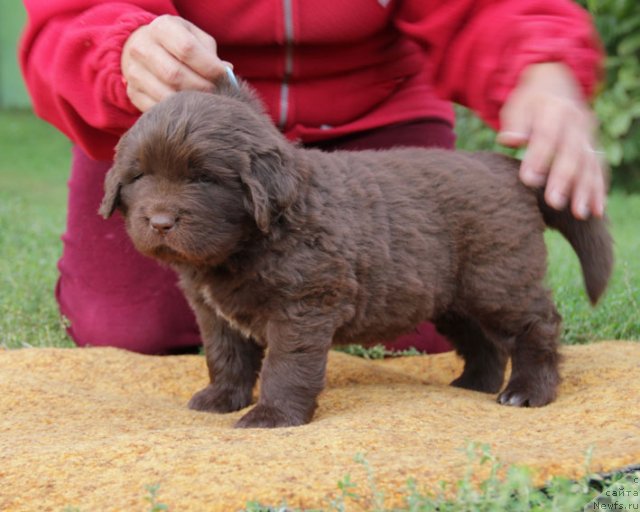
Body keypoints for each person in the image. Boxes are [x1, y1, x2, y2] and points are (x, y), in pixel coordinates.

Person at [20, 1, 606, 355]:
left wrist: (537, 59)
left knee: (416, 317)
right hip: (169, 127)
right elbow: (66, 16)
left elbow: (485, 7)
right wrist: (116, 49)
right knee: (135, 328)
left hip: (373, 114)